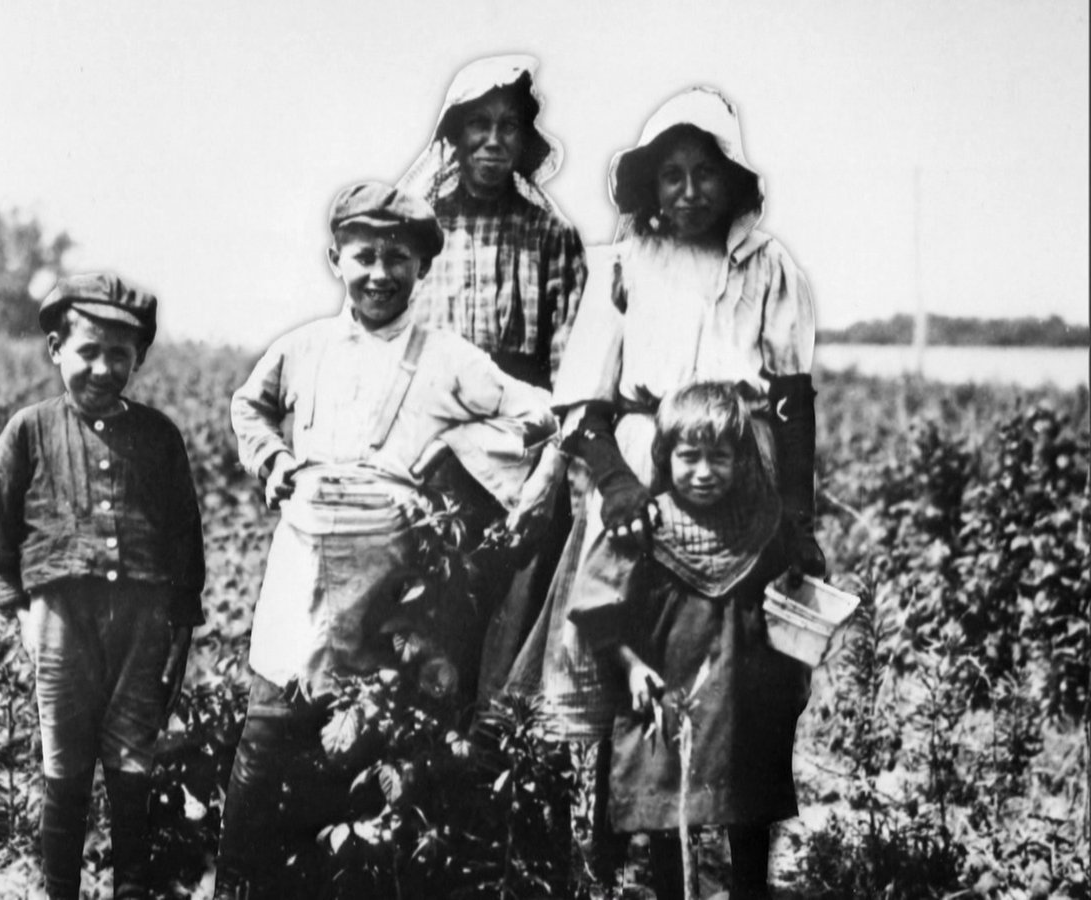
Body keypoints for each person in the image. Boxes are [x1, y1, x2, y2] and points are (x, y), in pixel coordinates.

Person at [503, 85, 824, 879]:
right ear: (649, 184)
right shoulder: (625, 263)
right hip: (650, 477)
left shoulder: (767, 265)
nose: (688, 192)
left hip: (738, 481)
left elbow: (791, 397)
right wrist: (615, 485)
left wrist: (792, 512)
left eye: (704, 173)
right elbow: (582, 398)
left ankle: (747, 858)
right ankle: (629, 859)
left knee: (746, 673)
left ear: (735, 181)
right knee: (631, 664)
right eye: (671, 175)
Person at [214, 183, 555, 900]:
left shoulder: (449, 358)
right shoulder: (302, 348)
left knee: (382, 733)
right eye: (364, 255)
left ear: (421, 268)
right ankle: (242, 885)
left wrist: (457, 447)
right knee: (273, 726)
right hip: (303, 562)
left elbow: (539, 416)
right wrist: (273, 459)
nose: (379, 273)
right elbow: (250, 406)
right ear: (335, 258)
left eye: (397, 257)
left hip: (394, 580)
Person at [0, 273, 205, 900]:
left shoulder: (158, 436)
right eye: (88, 352)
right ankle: (61, 890)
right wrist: (18, 608)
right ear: (55, 348)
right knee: (65, 752)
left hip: (142, 616)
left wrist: (181, 622)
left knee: (133, 746)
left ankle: (130, 884)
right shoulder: (30, 427)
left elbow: (184, 531)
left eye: (120, 355)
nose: (104, 369)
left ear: (138, 358)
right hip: (60, 615)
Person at [569, 381, 809, 899]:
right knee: (669, 800)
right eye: (689, 456)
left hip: (742, 698)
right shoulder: (646, 525)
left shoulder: (761, 520)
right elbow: (596, 607)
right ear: (664, 456)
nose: (704, 472)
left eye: (718, 457)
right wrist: (631, 666)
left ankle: (750, 891)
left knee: (747, 801)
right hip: (670, 693)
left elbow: (791, 592)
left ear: (742, 460)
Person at [398, 55, 587, 698]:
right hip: (432, 456)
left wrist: (550, 476)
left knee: (512, 639)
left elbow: (573, 375)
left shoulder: (550, 234)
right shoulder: (418, 229)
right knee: (427, 633)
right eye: (478, 123)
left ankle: (499, 782)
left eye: (509, 126)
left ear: (525, 139)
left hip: (522, 457)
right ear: (453, 135)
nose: (494, 140)